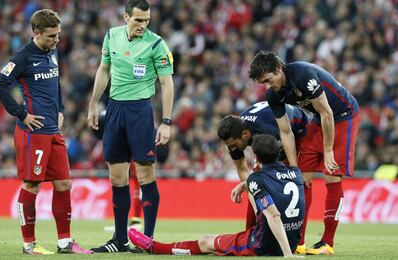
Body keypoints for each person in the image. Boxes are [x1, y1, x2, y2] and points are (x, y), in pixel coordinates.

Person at [0, 9, 92, 255]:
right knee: (32, 185)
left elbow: (54, 82)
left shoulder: (52, 52)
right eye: (50, 36)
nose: (56, 39)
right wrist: (22, 113)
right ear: (36, 33)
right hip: (32, 132)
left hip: (52, 130)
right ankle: (29, 245)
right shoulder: (23, 57)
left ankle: (65, 243)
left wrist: (60, 108)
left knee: (64, 183)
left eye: (57, 34)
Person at [248, 51, 361, 255]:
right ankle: (298, 241)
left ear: (278, 69)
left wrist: (328, 151)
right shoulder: (274, 95)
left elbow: (328, 112)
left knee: (332, 175)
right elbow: (285, 132)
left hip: (343, 115)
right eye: (262, 83)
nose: (267, 86)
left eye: (268, 80)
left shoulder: (303, 75)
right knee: (302, 179)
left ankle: (327, 242)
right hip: (319, 119)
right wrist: (293, 167)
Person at [87, 0, 174, 253]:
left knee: (145, 174)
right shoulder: (111, 36)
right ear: (126, 17)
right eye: (138, 20)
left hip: (140, 111)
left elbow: (167, 84)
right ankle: (120, 240)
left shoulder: (157, 43)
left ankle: (147, 240)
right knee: (117, 177)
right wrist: (93, 104)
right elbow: (104, 69)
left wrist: (166, 121)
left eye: (147, 20)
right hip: (114, 110)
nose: (143, 25)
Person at [128, 134, 305, 257]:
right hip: (292, 241)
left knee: (206, 242)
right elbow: (276, 185)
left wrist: (287, 255)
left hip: (263, 245)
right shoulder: (295, 173)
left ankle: (155, 247)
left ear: (256, 157)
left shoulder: (257, 178)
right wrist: (246, 184)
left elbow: (273, 214)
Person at [217, 101, 310, 229]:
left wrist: (295, 170)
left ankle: (299, 240)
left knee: (298, 181)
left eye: (233, 145)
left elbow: (287, 136)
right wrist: (257, 207)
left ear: (245, 135)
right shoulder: (236, 134)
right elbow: (242, 169)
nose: (232, 148)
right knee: (256, 183)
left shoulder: (266, 132)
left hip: (299, 129)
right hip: (276, 132)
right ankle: (251, 232)